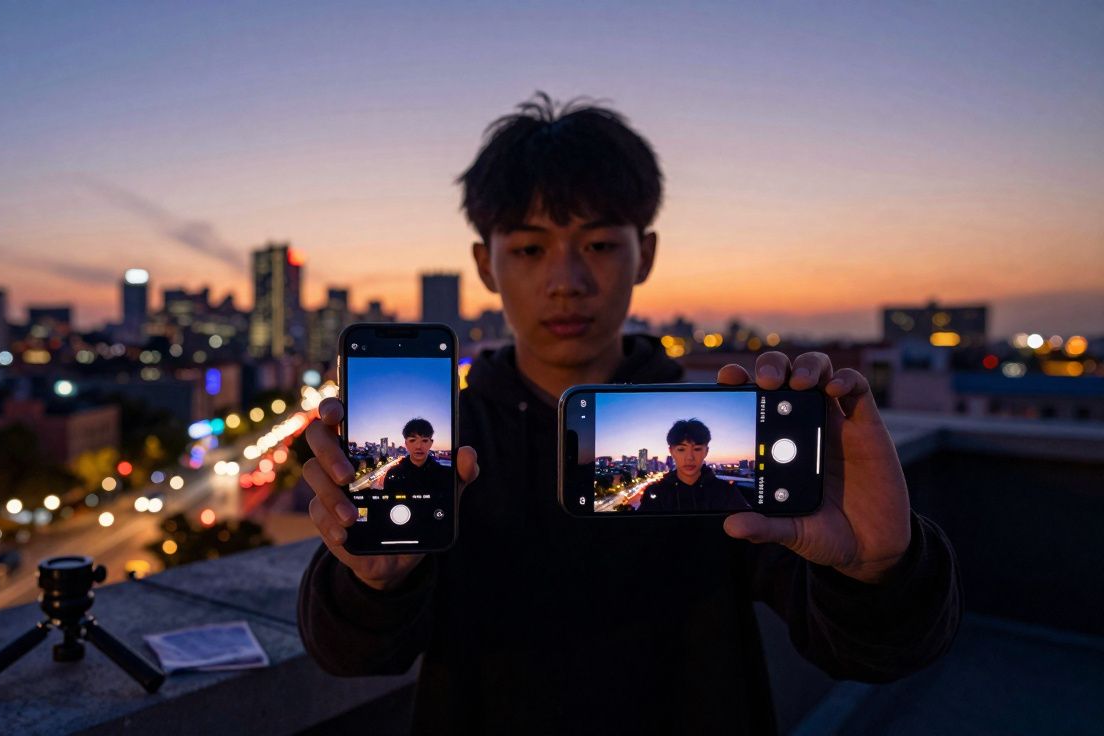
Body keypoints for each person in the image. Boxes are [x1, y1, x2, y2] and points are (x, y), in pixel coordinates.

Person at [298, 93, 961, 734]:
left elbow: (872, 652)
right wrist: (372, 584)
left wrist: (878, 571)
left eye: (599, 245)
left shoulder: (721, 431)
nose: (566, 281)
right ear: (485, 264)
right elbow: (351, 656)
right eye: (529, 249)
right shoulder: (452, 443)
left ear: (645, 253)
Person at [637, 418, 750, 512]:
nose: (690, 457)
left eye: (697, 449)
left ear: (706, 451)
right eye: (681, 449)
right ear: (671, 451)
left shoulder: (726, 492)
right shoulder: (656, 493)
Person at [380, 418, 455, 495]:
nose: (419, 446)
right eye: (412, 440)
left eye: (424, 440)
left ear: (431, 443)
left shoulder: (446, 475)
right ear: (406, 444)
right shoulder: (394, 473)